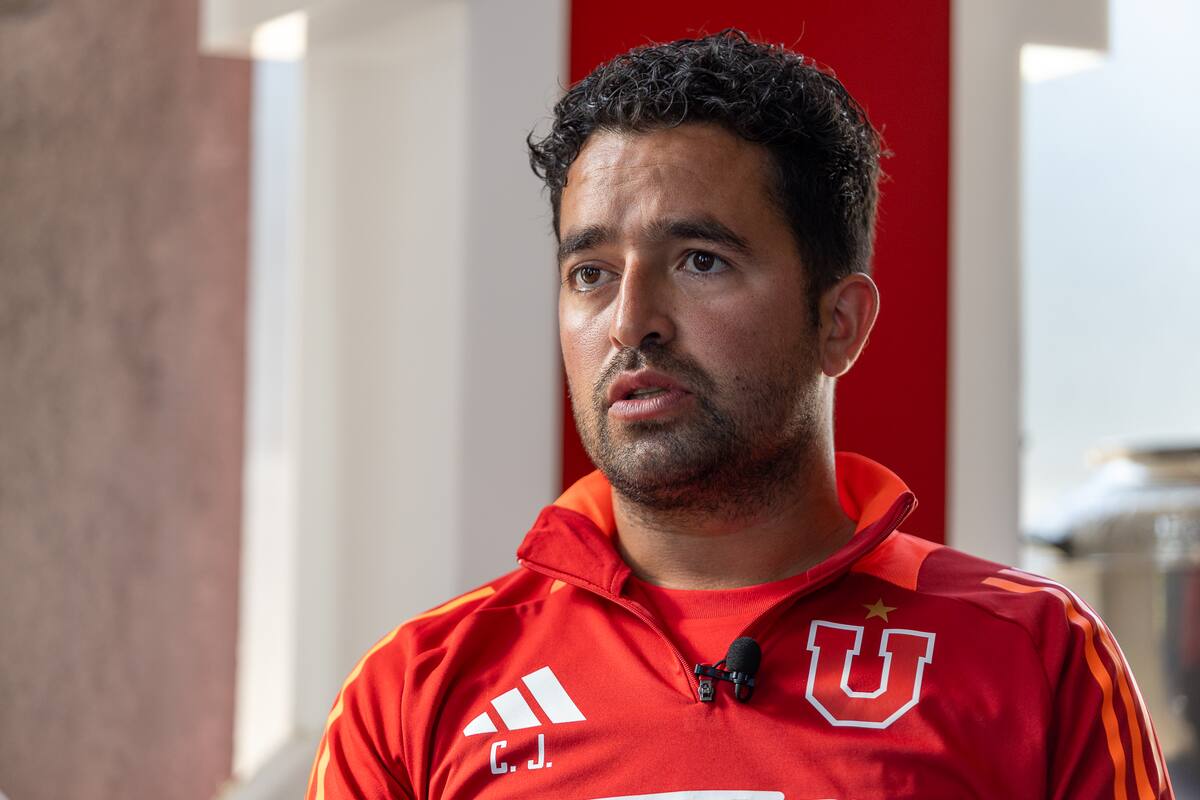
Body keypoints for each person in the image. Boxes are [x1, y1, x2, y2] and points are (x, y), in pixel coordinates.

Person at [306, 30, 1173, 799]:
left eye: (700, 260)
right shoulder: (412, 693)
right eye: (591, 272)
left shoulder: (1035, 656)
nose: (630, 320)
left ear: (840, 323)